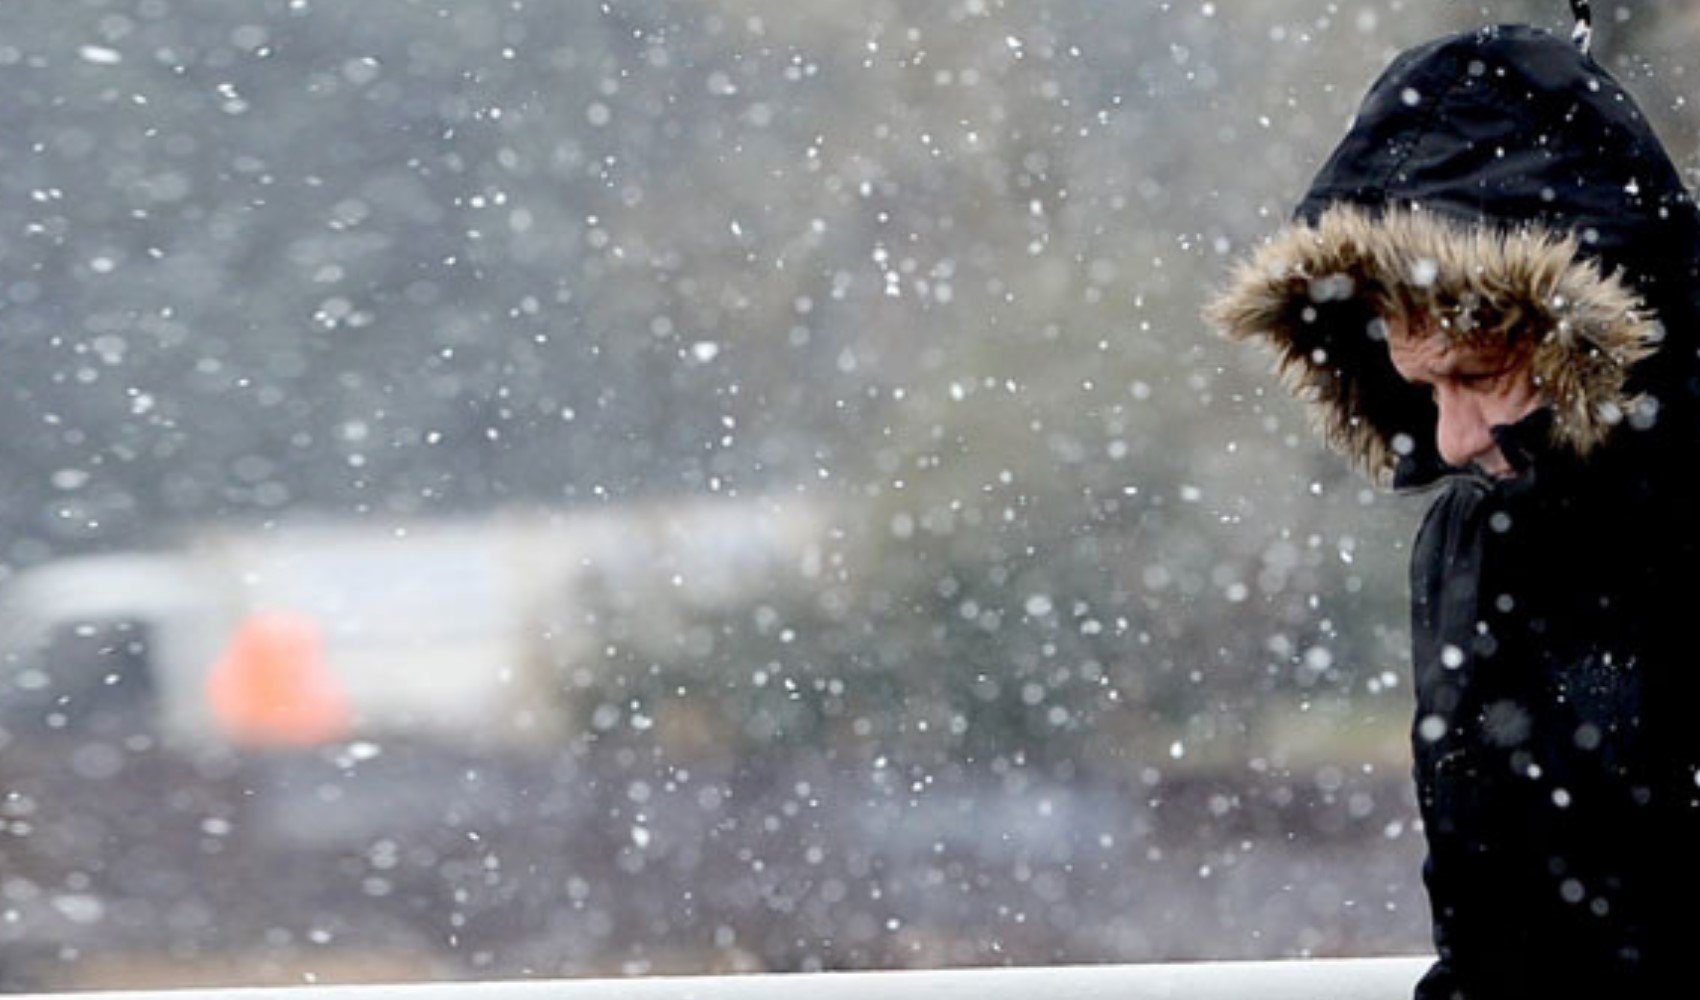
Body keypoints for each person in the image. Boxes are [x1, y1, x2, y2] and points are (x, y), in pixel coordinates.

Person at [1207, 19, 1700, 1000]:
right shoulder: (1474, 546)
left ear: (1586, 324)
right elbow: (1496, 945)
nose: (1451, 439)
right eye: (1423, 389)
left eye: (1477, 375)